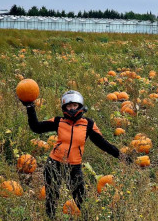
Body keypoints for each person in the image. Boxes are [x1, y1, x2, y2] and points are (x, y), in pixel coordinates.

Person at [21, 90, 131, 219]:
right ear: (64, 107)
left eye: (74, 105)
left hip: (74, 166)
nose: (72, 108)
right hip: (54, 163)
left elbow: (103, 143)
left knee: (81, 200)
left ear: (80, 106)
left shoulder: (88, 124)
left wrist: (122, 157)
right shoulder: (59, 121)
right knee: (52, 198)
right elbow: (36, 127)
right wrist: (30, 107)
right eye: (68, 105)